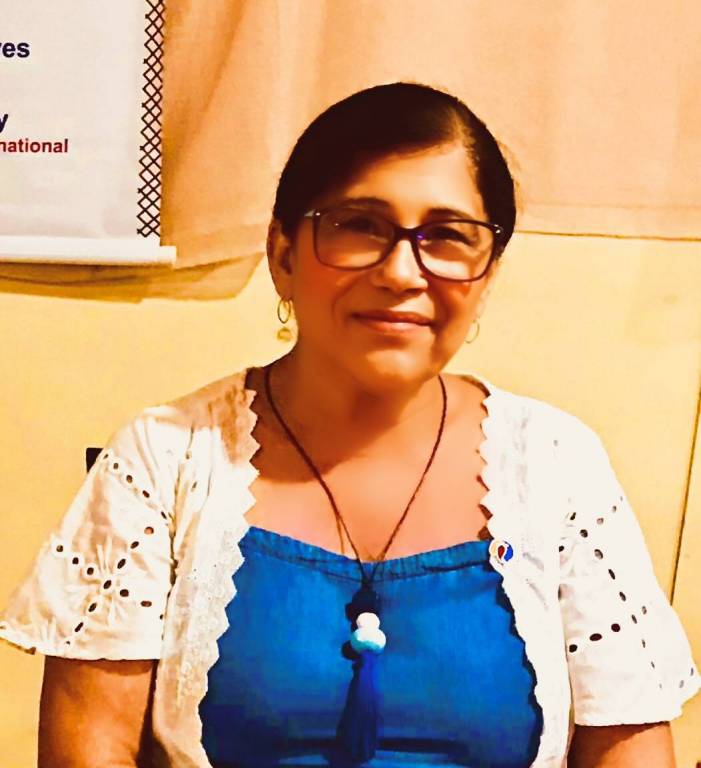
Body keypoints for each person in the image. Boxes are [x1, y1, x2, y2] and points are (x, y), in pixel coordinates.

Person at [0, 82, 698, 768]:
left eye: (446, 236)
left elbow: (629, 749)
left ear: (486, 275)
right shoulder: (165, 458)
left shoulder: (557, 465)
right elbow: (91, 744)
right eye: (359, 225)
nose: (402, 272)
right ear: (282, 255)